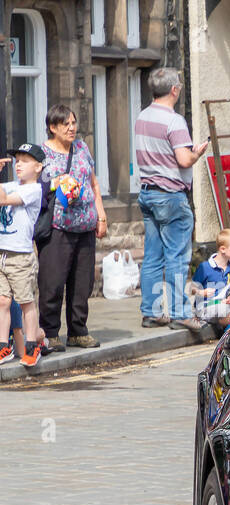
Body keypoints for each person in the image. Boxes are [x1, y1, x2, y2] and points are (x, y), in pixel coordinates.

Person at [134, 67, 208, 330]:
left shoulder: (142, 116)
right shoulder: (174, 121)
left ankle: (151, 312)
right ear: (174, 89)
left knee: (153, 256)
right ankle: (179, 313)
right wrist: (197, 152)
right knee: (177, 257)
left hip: (147, 193)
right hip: (171, 195)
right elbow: (184, 159)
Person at [35, 105, 108, 351]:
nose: (72, 128)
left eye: (74, 123)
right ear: (53, 127)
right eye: (65, 124)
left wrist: (101, 216)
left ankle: (78, 331)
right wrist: (57, 182)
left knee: (82, 283)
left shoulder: (82, 148)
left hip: (85, 225)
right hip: (57, 227)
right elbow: (36, 186)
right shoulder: (42, 154)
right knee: (52, 282)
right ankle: (50, 332)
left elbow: (93, 183)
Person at [0, 144, 44, 367]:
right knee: (2, 301)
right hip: (2, 254)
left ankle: (31, 346)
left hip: (21, 256)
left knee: (26, 302)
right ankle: (3, 348)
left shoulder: (33, 190)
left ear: (38, 167)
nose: (18, 165)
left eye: (24, 161)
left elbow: (4, 200)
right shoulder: (12, 184)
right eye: (17, 160)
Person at [188, 228, 230, 327]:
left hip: (224, 304)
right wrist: (201, 292)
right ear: (223, 249)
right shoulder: (205, 267)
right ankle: (228, 327)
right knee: (223, 309)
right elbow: (191, 289)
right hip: (206, 308)